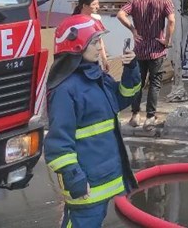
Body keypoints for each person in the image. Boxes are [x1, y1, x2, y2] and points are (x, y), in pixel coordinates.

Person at [44, 14, 140, 228]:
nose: (100, 47)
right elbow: (58, 144)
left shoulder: (97, 77)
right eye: (95, 41)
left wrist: (131, 68)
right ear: (77, 46)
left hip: (102, 178)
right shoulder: (65, 90)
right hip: (87, 183)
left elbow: (125, 96)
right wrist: (75, 179)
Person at [116, 0, 176, 127]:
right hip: (157, 49)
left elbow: (120, 14)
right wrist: (167, 40)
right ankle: (150, 116)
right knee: (155, 84)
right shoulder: (165, 1)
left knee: (138, 84)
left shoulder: (135, 1)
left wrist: (133, 29)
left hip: (140, 49)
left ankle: (135, 115)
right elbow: (171, 20)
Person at [74, 0, 110, 72]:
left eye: (98, 4)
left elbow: (99, 40)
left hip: (93, 62)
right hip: (78, 63)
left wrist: (104, 59)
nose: (97, 7)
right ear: (84, 6)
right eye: (94, 4)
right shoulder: (75, 22)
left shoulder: (96, 20)